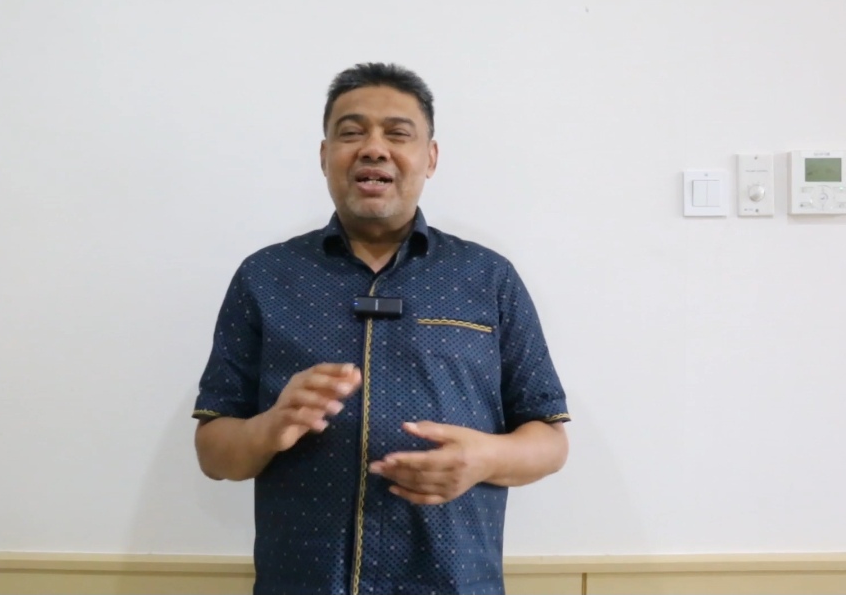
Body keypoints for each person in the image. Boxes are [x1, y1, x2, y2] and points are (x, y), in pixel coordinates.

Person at [192, 62, 570, 595]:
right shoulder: (265, 277)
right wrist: (269, 427)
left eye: (397, 133)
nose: (373, 148)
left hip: (454, 582)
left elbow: (550, 439)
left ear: (430, 157)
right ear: (324, 155)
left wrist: (485, 458)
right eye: (351, 133)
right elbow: (213, 451)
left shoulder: (489, 279)